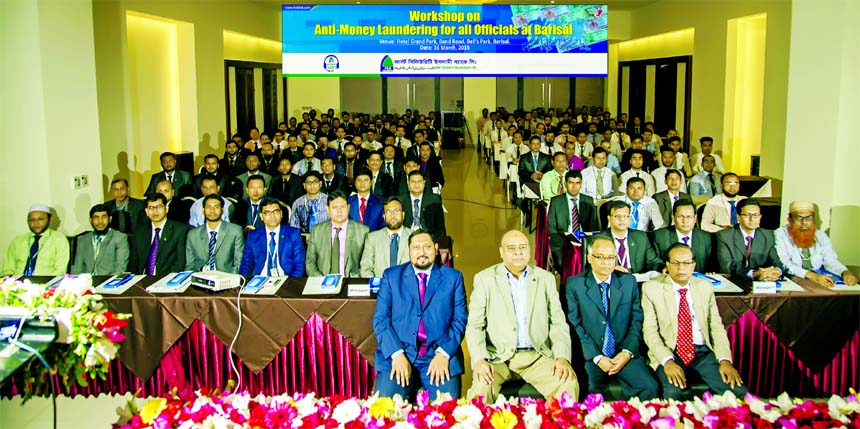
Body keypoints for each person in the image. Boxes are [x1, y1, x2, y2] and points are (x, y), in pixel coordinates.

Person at [466, 230, 578, 401]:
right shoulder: (485, 279)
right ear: (501, 252)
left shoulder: (545, 279)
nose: (518, 252)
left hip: (537, 356)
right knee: (481, 388)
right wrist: (480, 359)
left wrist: (562, 357)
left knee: (567, 382)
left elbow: (558, 323)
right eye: (512, 248)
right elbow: (475, 325)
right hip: (499, 358)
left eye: (523, 247)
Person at [641, 243, 747, 400]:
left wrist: (725, 360)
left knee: (737, 391)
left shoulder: (705, 287)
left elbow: (716, 326)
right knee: (674, 393)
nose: (681, 268)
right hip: (671, 350)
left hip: (703, 353)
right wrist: (667, 361)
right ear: (668, 265)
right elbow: (650, 331)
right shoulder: (652, 288)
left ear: (693, 265)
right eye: (675, 263)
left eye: (686, 263)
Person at [372, 229, 467, 399]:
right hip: (400, 353)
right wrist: (396, 353)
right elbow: (381, 320)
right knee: (384, 410)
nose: (421, 253)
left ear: (436, 248)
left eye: (427, 247)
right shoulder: (391, 277)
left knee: (447, 413)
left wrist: (444, 353)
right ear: (408, 250)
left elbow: (460, 320)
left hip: (438, 354)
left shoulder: (453, 278)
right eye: (416, 248)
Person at [566, 237, 659, 400]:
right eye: (600, 257)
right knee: (589, 391)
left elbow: (637, 320)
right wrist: (597, 357)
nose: (606, 262)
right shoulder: (575, 284)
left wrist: (627, 352)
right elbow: (575, 324)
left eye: (610, 258)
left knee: (650, 387)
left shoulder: (628, 282)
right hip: (592, 353)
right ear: (589, 258)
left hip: (623, 350)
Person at [774, 201, 858, 286]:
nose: (804, 222)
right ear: (790, 220)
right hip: (793, 279)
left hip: (819, 278)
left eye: (808, 218)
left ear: (814, 219)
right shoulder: (780, 234)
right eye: (799, 218)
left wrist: (845, 272)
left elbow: (830, 261)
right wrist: (810, 275)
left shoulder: (821, 235)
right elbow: (784, 264)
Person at [716, 198, 784, 280]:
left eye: (755, 215)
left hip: (763, 281)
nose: (752, 219)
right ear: (738, 217)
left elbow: (777, 262)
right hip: (734, 280)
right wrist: (754, 274)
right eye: (747, 215)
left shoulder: (768, 235)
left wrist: (776, 271)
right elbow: (727, 266)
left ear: (760, 217)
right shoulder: (725, 236)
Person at [305, 191, 369, 277]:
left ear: (348, 208)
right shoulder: (317, 231)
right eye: (334, 207)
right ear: (328, 209)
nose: (339, 211)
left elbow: (367, 263)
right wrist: (320, 279)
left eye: (342, 207)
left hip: (351, 281)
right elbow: (310, 262)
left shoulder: (363, 231)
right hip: (322, 281)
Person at [548, 170, 600, 272]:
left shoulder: (588, 200)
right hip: (563, 239)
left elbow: (593, 225)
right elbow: (552, 228)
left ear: (581, 184)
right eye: (571, 183)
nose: (574, 186)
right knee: (563, 262)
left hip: (584, 239)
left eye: (577, 183)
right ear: (565, 184)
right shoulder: (556, 201)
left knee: (592, 261)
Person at [239, 197, 304, 277]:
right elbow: (246, 263)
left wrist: (291, 283)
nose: (272, 216)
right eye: (267, 213)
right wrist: (244, 282)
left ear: (281, 214)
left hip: (286, 279)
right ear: (261, 216)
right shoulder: (253, 235)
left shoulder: (293, 233)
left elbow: (299, 264)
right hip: (260, 279)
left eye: (276, 212)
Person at [594, 200, 662, 274]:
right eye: (617, 216)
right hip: (611, 277)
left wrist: (663, 268)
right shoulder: (599, 239)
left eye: (626, 216)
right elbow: (594, 264)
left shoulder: (640, 237)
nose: (622, 219)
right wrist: (611, 268)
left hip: (637, 278)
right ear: (609, 218)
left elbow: (653, 261)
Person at [1, 204, 70, 276]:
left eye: (40, 219)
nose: (36, 223)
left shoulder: (59, 239)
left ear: (50, 220)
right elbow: (7, 269)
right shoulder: (18, 240)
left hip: (46, 284)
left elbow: (60, 271)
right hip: (16, 284)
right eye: (32, 220)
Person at [128, 193, 187, 275]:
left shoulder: (179, 230)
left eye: (159, 207)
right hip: (142, 279)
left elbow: (180, 263)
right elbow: (133, 262)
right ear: (146, 211)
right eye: (151, 208)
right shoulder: (139, 231)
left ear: (166, 209)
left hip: (166, 279)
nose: (155, 211)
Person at [185, 194, 244, 273]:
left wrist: (229, 280)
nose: (212, 211)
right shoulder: (193, 234)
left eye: (216, 207)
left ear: (222, 210)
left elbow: (238, 264)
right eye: (208, 207)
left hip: (226, 278)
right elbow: (190, 266)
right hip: (200, 277)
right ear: (203, 210)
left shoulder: (235, 231)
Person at [359, 197, 413, 277]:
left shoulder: (414, 237)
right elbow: (365, 268)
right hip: (380, 286)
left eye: (396, 211)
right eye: (388, 212)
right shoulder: (372, 238)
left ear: (403, 214)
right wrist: (377, 285)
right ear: (384, 216)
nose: (393, 215)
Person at [653, 199, 713, 272]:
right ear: (673, 217)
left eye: (689, 217)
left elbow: (711, 264)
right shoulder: (660, 236)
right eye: (680, 216)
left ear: (695, 218)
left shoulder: (705, 237)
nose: (685, 221)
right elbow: (654, 261)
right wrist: (663, 267)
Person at [71, 204, 129, 276]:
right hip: (86, 283)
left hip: (108, 282)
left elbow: (120, 268)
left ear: (110, 219)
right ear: (90, 220)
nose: (100, 221)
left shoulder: (120, 238)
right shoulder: (82, 240)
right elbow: (77, 268)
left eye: (104, 217)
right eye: (96, 217)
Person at [401, 171, 446, 239]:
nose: (416, 184)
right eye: (413, 181)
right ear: (408, 183)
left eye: (419, 181)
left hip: (428, 237)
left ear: (424, 183)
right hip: (406, 236)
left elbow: (440, 227)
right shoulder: (401, 200)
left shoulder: (434, 200)